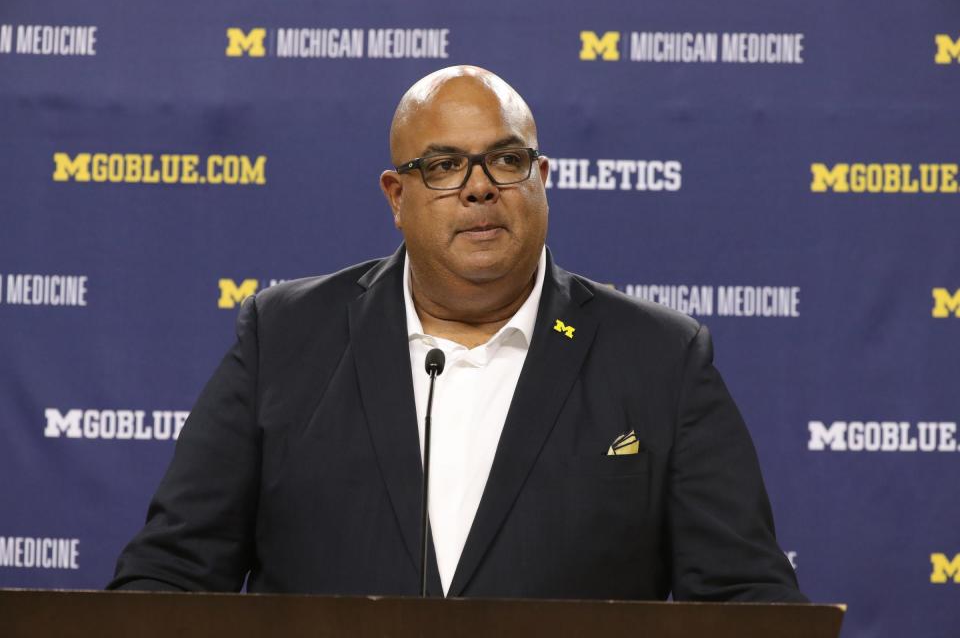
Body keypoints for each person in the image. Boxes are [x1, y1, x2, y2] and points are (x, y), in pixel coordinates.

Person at [109, 66, 805, 602]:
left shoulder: (660, 359)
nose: (479, 187)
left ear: (542, 179)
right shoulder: (284, 338)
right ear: (396, 196)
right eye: (443, 166)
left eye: (506, 160)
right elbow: (170, 575)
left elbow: (748, 601)